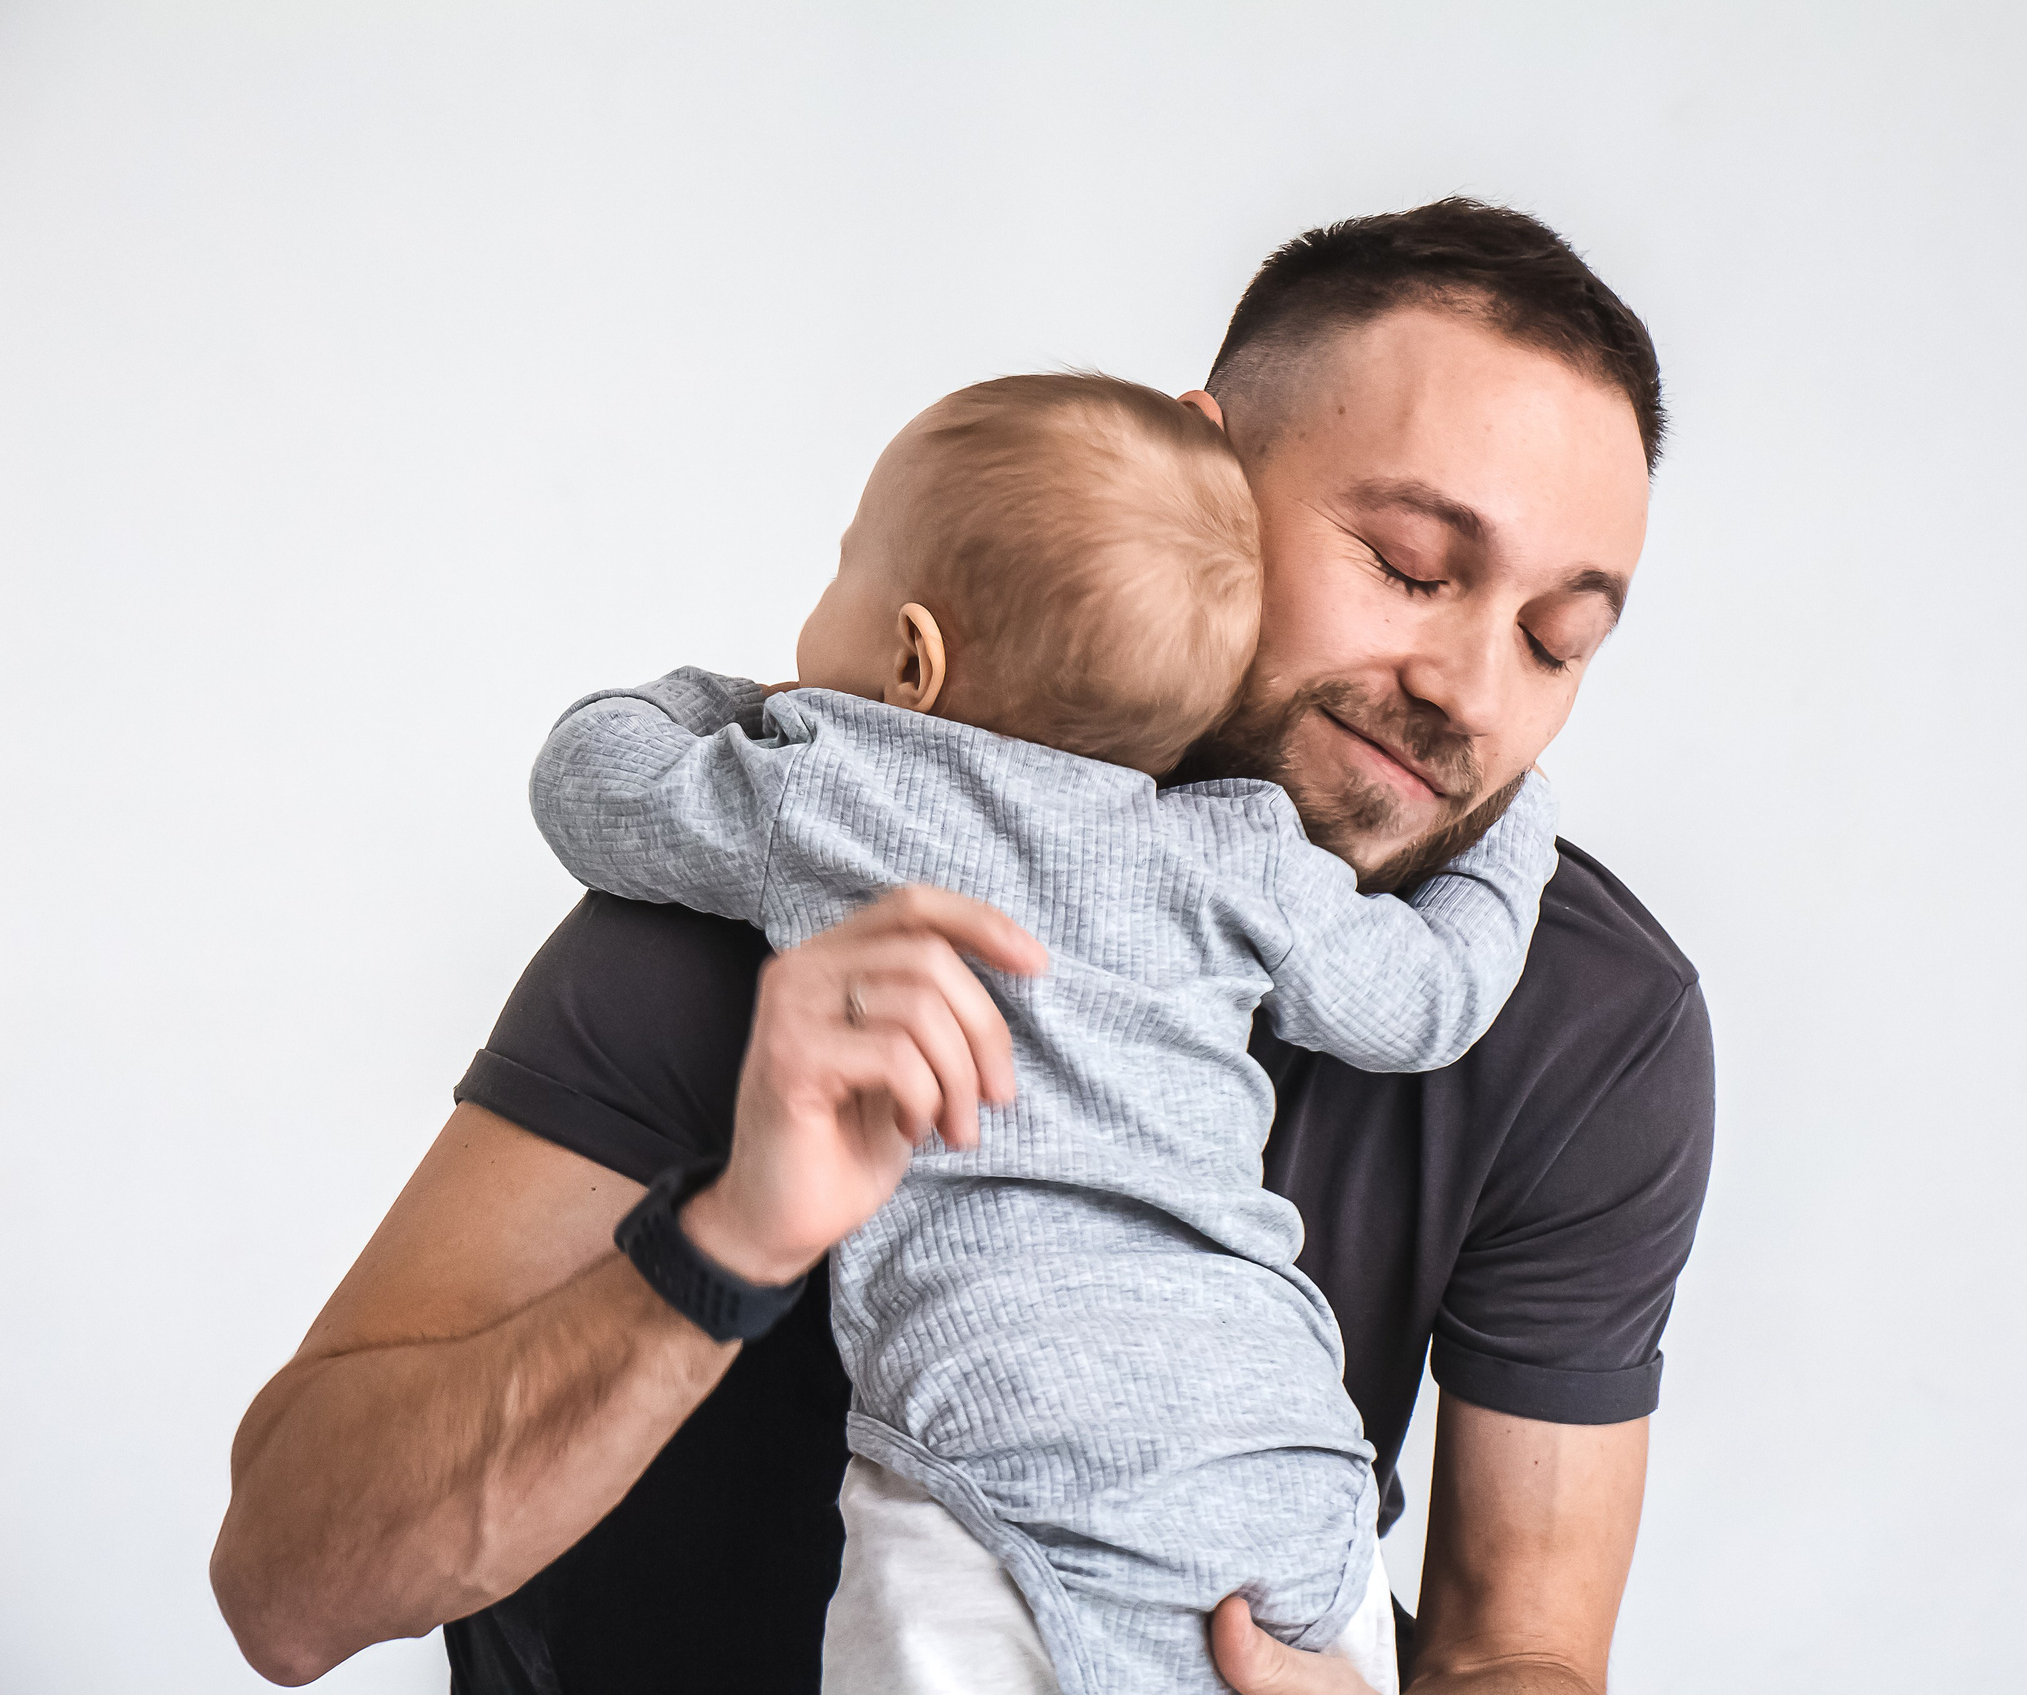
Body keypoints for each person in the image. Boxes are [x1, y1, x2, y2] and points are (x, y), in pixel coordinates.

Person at [211, 197, 1715, 1695]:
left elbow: (1521, 1647)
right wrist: (729, 1241)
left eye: (1554, 643)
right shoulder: (805, 872)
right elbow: (290, 1591)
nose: (1471, 692)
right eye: (1406, 562)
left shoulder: (1587, 1017)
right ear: (1208, 467)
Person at [528, 368, 1558, 1695]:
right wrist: (1518, 804)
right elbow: (1432, 1001)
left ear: (912, 658)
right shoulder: (1235, 847)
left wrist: (762, 706)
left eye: (841, 572)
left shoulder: (835, 794)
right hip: (1283, 1470)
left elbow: (591, 777)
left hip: (1001, 1455)